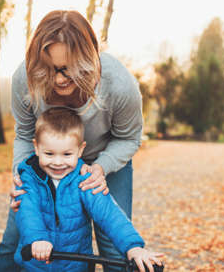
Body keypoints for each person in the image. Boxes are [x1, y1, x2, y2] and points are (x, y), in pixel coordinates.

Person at [0, 10, 144, 272]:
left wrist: (100, 169)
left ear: (89, 58)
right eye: (50, 69)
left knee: (112, 245)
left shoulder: (119, 85)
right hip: (47, 157)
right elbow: (24, 133)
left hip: (105, 157)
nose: (59, 79)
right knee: (15, 237)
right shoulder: (25, 79)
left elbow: (128, 138)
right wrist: (22, 176)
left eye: (68, 69)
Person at [14, 107, 163, 272]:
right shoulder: (29, 178)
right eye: (49, 154)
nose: (57, 162)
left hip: (76, 266)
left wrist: (133, 247)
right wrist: (37, 239)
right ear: (36, 148)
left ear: (80, 150)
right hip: (36, 265)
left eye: (67, 154)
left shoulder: (84, 179)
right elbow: (27, 212)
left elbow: (108, 213)